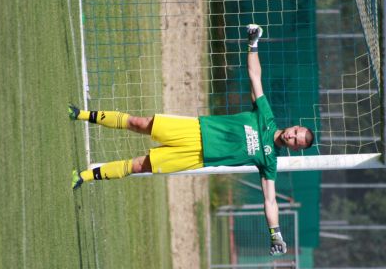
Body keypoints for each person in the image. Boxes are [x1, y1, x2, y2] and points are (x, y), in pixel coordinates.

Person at [69, 24, 314, 256]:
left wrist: (276, 234)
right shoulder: (266, 117)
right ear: (294, 126)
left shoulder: (270, 161)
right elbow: (255, 77)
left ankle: (83, 177)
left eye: (296, 142)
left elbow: (270, 200)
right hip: (194, 129)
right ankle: (79, 114)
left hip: (196, 158)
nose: (292, 137)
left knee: (138, 166)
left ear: (295, 149)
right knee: (138, 123)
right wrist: (253, 44)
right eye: (296, 133)